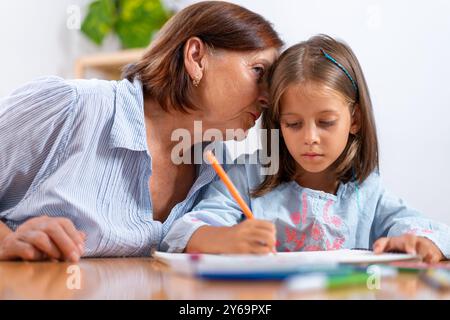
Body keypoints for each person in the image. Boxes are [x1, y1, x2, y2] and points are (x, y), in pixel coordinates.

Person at [0, 1, 283, 261]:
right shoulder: (68, 107)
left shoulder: (216, 161)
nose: (267, 97)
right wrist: (6, 241)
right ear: (196, 58)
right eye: (258, 71)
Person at [162, 35, 449, 263]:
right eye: (294, 124)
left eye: (325, 122)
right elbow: (182, 232)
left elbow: (417, 226)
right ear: (277, 123)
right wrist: (226, 239)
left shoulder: (365, 190)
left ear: (355, 120)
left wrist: (419, 242)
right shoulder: (248, 176)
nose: (310, 137)